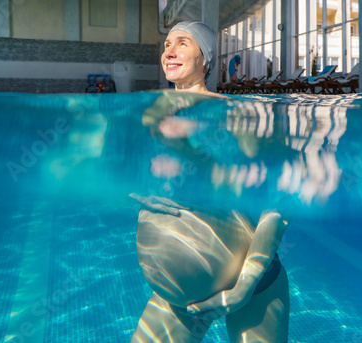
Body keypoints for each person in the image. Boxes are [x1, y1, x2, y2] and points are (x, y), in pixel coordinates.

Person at [131, 21, 290, 343]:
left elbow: (275, 200)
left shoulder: (235, 114)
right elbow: (122, 174)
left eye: (183, 43)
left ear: (205, 59)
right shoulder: (148, 112)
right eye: (166, 45)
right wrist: (137, 195)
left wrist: (244, 286)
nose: (170, 52)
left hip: (252, 285)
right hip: (178, 298)